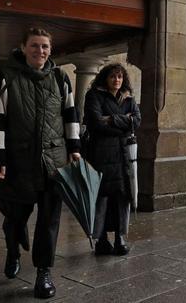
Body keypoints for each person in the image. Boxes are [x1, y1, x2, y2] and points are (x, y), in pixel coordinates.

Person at [0, 28, 80, 299]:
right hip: (17, 162)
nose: (40, 51)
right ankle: (13, 250)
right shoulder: (6, 77)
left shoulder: (61, 78)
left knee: (49, 221)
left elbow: (70, 114)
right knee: (14, 218)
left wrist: (74, 148)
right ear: (23, 47)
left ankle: (44, 272)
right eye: (35, 46)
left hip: (53, 162)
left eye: (45, 47)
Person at [81, 63, 141, 256]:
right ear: (105, 78)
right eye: (113, 77)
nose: (117, 80)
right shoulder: (94, 96)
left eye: (120, 77)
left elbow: (137, 121)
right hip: (101, 154)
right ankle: (101, 239)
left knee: (122, 197)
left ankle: (120, 237)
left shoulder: (128, 98)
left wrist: (111, 119)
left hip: (123, 156)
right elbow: (95, 122)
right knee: (102, 198)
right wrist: (125, 121)